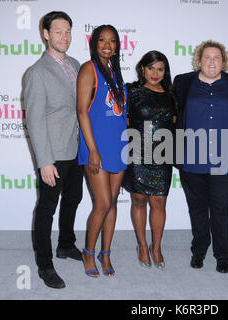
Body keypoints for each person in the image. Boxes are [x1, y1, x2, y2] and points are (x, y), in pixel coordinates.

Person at [24, 11, 83, 289]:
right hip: (53, 154)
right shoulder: (37, 72)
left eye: (68, 31)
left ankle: (66, 245)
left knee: (74, 198)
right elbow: (34, 121)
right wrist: (44, 162)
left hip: (76, 149)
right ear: (46, 34)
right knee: (47, 208)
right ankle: (45, 265)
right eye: (59, 32)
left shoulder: (76, 64)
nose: (65, 37)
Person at [173, 40, 228, 273]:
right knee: (197, 209)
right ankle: (199, 250)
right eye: (207, 57)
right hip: (191, 157)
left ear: (224, 61)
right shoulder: (183, 82)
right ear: (198, 60)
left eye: (217, 57)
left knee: (220, 209)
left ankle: (223, 254)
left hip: (223, 159)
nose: (212, 61)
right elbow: (173, 114)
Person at [77, 25, 128, 278]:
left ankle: (105, 253)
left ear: (117, 45)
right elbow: (82, 111)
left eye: (112, 41)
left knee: (113, 203)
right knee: (104, 202)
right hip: (96, 147)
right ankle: (88, 252)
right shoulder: (89, 69)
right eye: (101, 40)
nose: (107, 45)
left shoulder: (115, 73)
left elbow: (121, 114)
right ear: (94, 43)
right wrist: (92, 150)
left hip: (118, 146)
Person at [122, 51, 177, 270]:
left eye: (160, 69)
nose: (155, 73)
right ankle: (142, 245)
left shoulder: (172, 94)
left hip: (163, 154)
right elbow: (124, 121)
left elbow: (174, 124)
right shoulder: (131, 91)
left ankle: (157, 247)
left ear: (165, 71)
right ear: (142, 68)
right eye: (151, 68)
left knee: (159, 202)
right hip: (137, 153)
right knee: (139, 200)